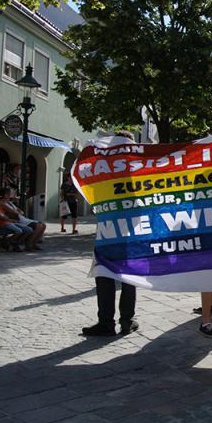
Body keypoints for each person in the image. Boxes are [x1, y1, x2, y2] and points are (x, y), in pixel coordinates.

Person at [83, 130, 140, 337]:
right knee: (129, 277)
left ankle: (106, 322)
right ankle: (127, 320)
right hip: (131, 231)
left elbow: (93, 197)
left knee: (105, 275)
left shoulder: (103, 169)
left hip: (107, 231)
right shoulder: (138, 169)